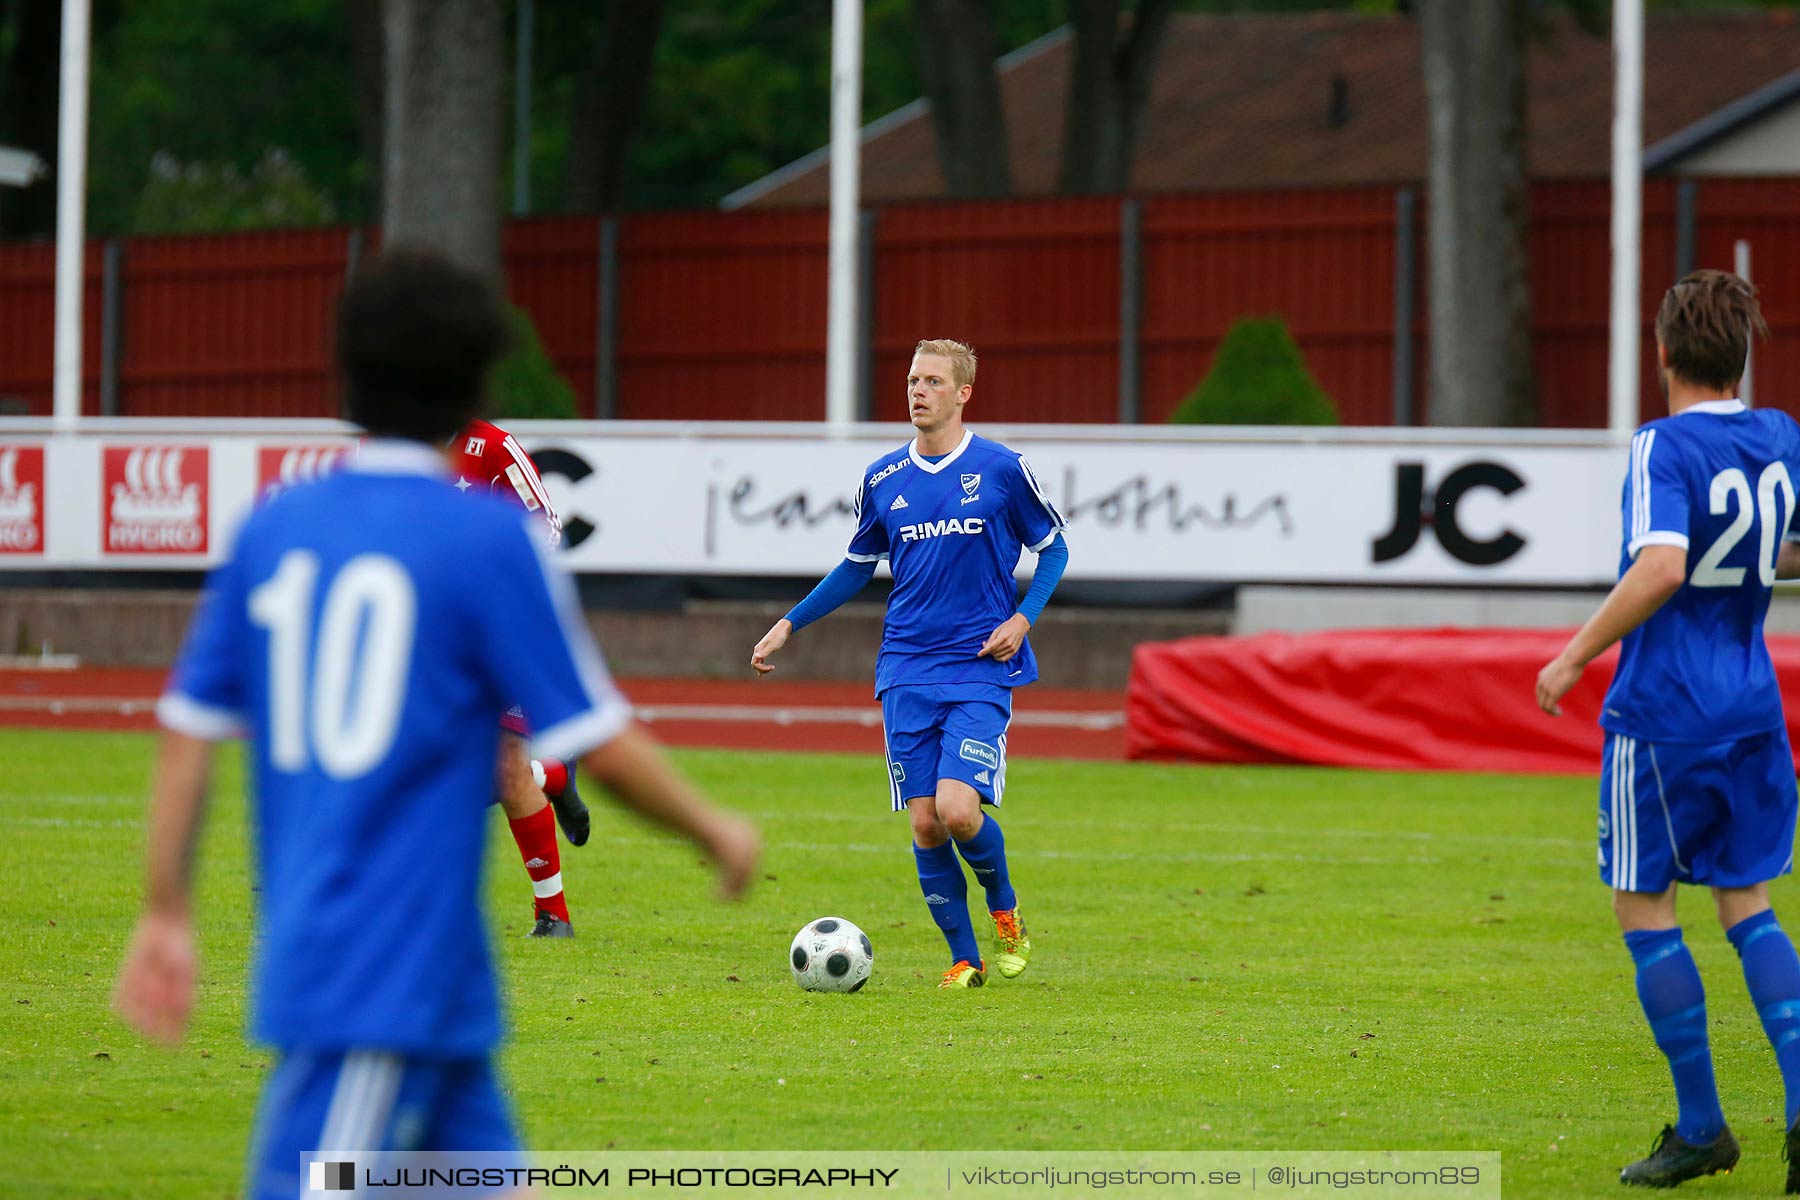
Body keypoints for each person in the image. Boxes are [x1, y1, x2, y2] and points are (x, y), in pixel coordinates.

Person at [113, 245, 759, 1199]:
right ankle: (547, 832)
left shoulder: (275, 526)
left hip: (423, 974)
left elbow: (188, 727)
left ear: (345, 370)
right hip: (380, 972)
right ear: (475, 375)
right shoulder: (488, 542)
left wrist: (166, 909)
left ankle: (548, 871)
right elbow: (604, 740)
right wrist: (714, 830)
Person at [1536, 269, 1800, 1191]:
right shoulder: (1779, 437)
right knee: (1748, 903)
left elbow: (1661, 567)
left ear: (1661, 354)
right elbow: (1780, 548)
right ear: (1742, 356)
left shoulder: (1661, 448)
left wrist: (1572, 657)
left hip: (1667, 718)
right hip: (1754, 709)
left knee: (1645, 909)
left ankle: (1701, 1127)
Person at [751, 339, 1069, 989]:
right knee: (924, 821)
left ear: (963, 393)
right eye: (911, 379)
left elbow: (1054, 548)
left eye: (931, 381)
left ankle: (1005, 913)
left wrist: (1023, 617)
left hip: (980, 664)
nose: (917, 390)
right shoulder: (882, 479)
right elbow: (854, 567)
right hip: (905, 668)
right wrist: (789, 623)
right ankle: (964, 959)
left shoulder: (1002, 468)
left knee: (957, 809)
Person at [448, 415, 591, 937]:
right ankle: (552, 774)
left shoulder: (492, 444)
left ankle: (553, 914)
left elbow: (548, 524)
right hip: (430, 640)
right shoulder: (386, 450)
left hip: (502, 627)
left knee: (504, 767)